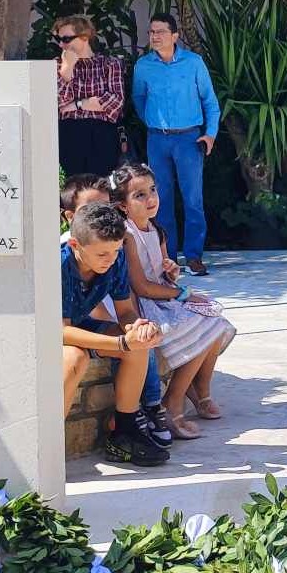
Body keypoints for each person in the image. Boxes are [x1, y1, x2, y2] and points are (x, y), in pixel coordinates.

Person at [108, 163, 237, 436]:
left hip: (163, 298)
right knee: (206, 326)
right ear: (122, 205)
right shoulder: (128, 236)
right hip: (148, 307)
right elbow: (141, 286)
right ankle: (173, 401)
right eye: (139, 195)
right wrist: (183, 293)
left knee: (217, 321)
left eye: (152, 190)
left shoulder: (157, 231)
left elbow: (161, 277)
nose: (150, 199)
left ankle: (201, 390)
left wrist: (171, 274)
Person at [60, 174, 169, 443]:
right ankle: (49, 440)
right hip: (52, 333)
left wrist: (137, 328)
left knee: (139, 344)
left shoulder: (115, 257)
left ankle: (125, 428)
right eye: (101, 255)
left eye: (115, 252)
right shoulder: (60, 265)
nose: (110, 260)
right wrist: (122, 342)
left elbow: (125, 311)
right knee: (76, 359)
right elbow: (59, 332)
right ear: (75, 245)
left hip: (81, 325)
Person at [132, 11, 220, 277]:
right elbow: (139, 98)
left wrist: (210, 134)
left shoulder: (194, 63)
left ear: (175, 36)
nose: (154, 37)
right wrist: (151, 121)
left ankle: (194, 257)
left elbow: (210, 103)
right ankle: (167, 258)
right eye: (151, 32)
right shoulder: (143, 66)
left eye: (160, 32)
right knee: (160, 199)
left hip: (189, 139)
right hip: (157, 139)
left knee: (193, 199)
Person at [54, 14, 125, 179]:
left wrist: (76, 104)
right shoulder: (57, 65)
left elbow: (115, 103)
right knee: (71, 189)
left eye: (66, 39)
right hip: (68, 133)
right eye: (59, 39)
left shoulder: (109, 64)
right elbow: (55, 103)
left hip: (102, 134)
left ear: (84, 37)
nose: (61, 44)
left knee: (101, 185)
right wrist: (67, 69)